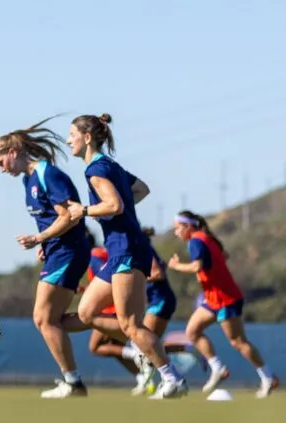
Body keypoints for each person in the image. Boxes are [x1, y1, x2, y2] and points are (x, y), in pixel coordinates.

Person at [66, 113, 187, 399]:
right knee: (86, 312)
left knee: (131, 324)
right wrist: (118, 211)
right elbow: (141, 190)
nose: (68, 139)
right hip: (120, 248)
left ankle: (172, 378)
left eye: (71, 134)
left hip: (127, 250)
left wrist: (83, 210)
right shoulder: (111, 166)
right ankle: (141, 349)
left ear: (86, 137)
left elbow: (115, 205)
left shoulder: (95, 170)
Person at [0, 116, 88, 398]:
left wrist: (39, 239)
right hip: (57, 251)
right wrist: (45, 242)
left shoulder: (47, 173)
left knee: (43, 318)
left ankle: (73, 382)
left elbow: (70, 214)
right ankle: (120, 328)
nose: (1, 170)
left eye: (1, 163)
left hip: (69, 251)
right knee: (51, 319)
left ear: (13, 153)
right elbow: (49, 219)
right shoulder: (27, 180)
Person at [169, 210, 278, 398]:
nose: (175, 232)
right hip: (213, 299)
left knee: (238, 342)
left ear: (188, 227)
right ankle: (218, 368)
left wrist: (176, 266)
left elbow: (197, 266)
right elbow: (223, 255)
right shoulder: (206, 238)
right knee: (192, 331)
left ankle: (268, 377)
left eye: (177, 228)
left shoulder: (195, 241)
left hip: (226, 299)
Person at [87, 227, 178, 395]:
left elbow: (156, 273)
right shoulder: (120, 251)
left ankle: (171, 375)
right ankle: (146, 377)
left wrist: (133, 277)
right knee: (132, 344)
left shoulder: (95, 256)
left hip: (120, 305)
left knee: (134, 343)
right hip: (137, 301)